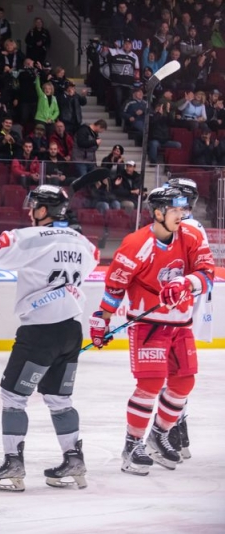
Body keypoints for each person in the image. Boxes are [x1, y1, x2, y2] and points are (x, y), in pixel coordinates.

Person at [0, 186, 99, 492]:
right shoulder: (81, 241)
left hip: (40, 331)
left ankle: (13, 463)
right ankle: (73, 459)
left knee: (13, 397)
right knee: (60, 399)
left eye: (33, 206)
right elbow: (92, 257)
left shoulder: (31, 237)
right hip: (71, 330)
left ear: (42, 210)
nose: (29, 211)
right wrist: (68, 235)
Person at [89, 186, 213, 475]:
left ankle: (159, 434)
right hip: (149, 326)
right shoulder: (135, 244)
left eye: (183, 209)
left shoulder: (192, 236)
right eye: (175, 210)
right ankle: (132, 444)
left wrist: (186, 283)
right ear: (158, 213)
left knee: (184, 383)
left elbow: (207, 274)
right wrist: (102, 320)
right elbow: (115, 287)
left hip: (181, 325)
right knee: (151, 384)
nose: (181, 215)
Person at [164, 177, 212, 459]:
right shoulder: (192, 225)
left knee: (171, 374)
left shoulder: (185, 228)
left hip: (176, 310)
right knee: (177, 373)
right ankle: (178, 434)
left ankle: (172, 430)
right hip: (183, 308)